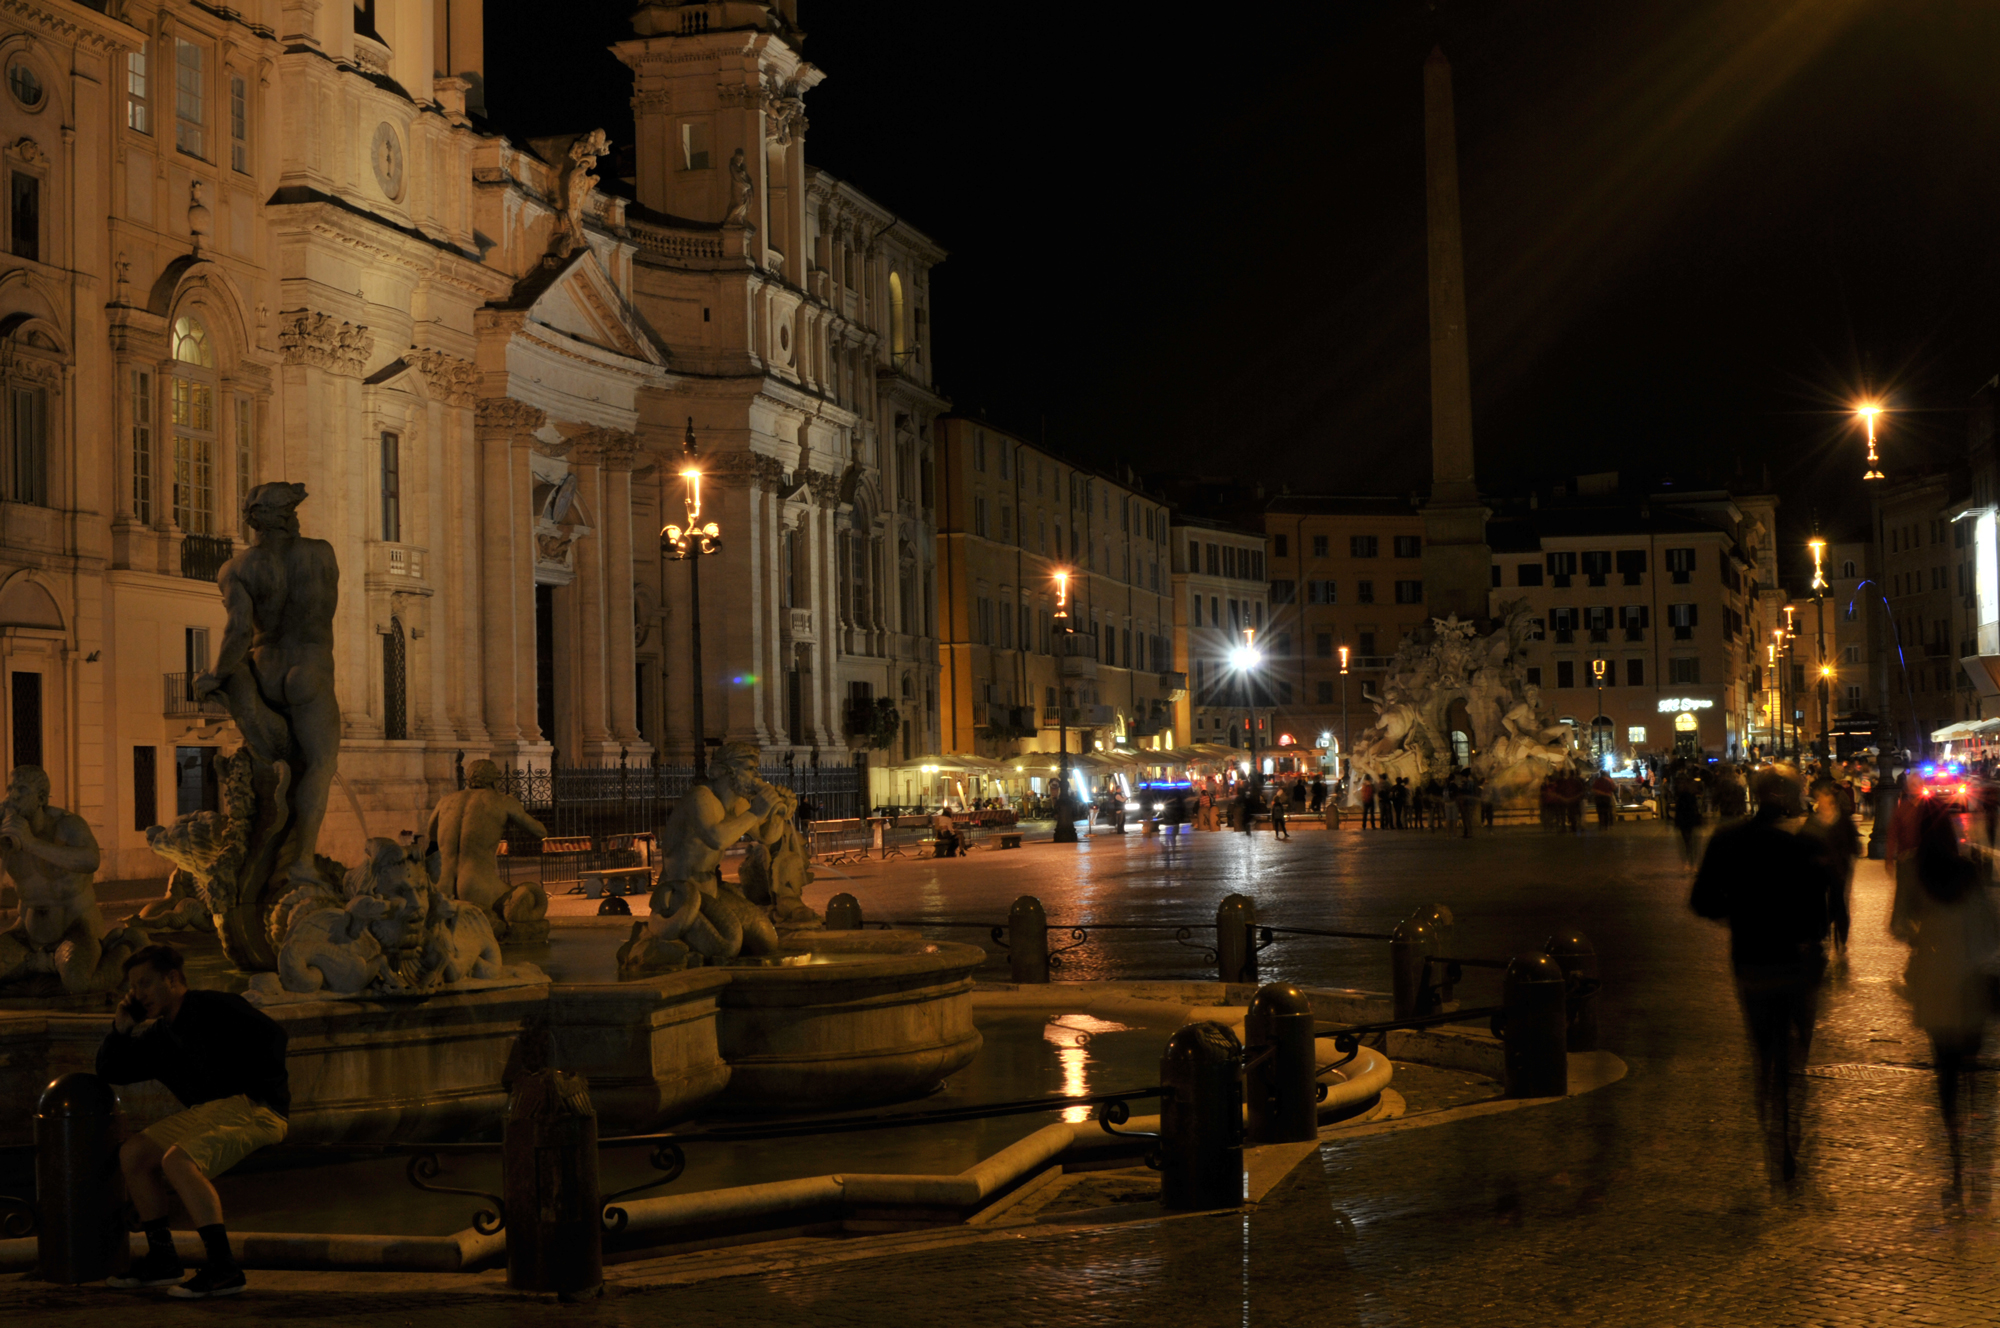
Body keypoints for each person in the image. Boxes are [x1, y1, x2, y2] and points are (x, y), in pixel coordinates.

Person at [98, 944, 290, 1298]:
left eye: (145, 983)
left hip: (255, 1107)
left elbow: (274, 1036)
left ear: (172, 980)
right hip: (208, 1112)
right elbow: (112, 1070)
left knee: (178, 1161)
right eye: (133, 987)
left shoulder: (213, 1006)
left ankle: (224, 1267)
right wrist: (120, 1029)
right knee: (134, 1153)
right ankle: (163, 1261)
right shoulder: (161, 1036)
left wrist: (255, 1090)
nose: (138, 994)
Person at [1690, 766, 1836, 1189]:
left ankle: (1775, 1143)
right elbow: (1824, 905)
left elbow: (1702, 901)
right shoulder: (1807, 842)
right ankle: (1792, 1131)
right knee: (1796, 1055)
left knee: (1765, 1056)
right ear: (1792, 796)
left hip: (1753, 961)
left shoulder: (1728, 840)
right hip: (1799, 964)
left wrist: (1739, 914)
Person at [1889, 798, 1999, 1206]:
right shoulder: (1970, 869)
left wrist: (1924, 935)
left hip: (1935, 982)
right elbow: (1990, 929)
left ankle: (1955, 1170)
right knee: (1975, 1076)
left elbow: (1898, 925)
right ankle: (1980, 1172)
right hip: (1971, 979)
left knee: (1947, 1078)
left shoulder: (1911, 867)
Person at [1802, 777, 1861, 955]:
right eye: (1818, 798)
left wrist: (1846, 856)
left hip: (1839, 869)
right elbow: (1803, 844)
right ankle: (1821, 933)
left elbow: (1854, 844)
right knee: (1818, 902)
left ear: (1830, 798)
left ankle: (1841, 934)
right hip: (1818, 871)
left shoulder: (1842, 819)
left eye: (1823, 797)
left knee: (1839, 902)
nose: (1821, 801)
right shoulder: (1812, 821)